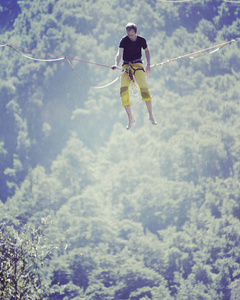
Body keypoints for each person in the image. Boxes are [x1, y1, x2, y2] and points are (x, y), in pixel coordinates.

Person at [112, 22, 157, 130]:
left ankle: (151, 115)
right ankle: (130, 118)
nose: (130, 37)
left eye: (132, 35)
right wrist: (116, 64)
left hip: (137, 64)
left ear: (136, 32)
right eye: (129, 35)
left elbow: (147, 51)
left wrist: (148, 64)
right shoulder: (124, 40)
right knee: (123, 91)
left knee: (144, 88)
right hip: (126, 66)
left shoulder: (142, 40)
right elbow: (119, 54)